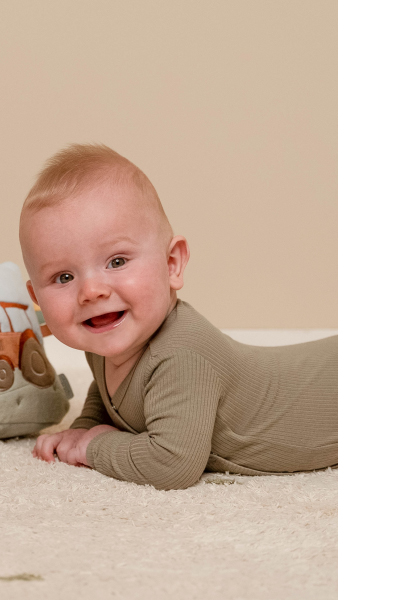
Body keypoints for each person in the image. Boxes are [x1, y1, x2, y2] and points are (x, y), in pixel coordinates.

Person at [19, 144, 337, 490]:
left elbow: (172, 464)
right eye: (64, 277)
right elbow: (109, 393)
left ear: (172, 264)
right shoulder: (105, 337)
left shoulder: (182, 354)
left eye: (117, 261)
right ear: (36, 298)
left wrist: (91, 446)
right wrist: (85, 423)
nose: (91, 291)